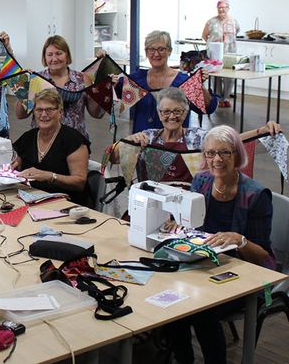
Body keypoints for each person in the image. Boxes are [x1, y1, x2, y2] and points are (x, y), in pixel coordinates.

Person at [165, 125, 275, 364]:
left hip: (247, 273)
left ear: (237, 155)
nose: (217, 159)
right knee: (171, 298)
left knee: (201, 309)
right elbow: (192, 226)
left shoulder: (256, 195)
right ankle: (183, 359)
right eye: (211, 153)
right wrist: (178, 223)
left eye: (225, 152)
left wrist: (239, 239)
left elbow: (263, 256)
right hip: (207, 265)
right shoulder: (201, 181)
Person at [113, 87, 281, 184]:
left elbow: (231, 140)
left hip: (188, 203)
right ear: (159, 113)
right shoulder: (147, 137)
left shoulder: (197, 137)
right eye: (166, 111)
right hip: (151, 202)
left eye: (177, 111)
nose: (172, 116)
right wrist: (128, 142)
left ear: (186, 113)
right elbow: (112, 158)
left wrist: (261, 131)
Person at [121, 30, 217, 133]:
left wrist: (199, 85)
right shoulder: (136, 79)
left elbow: (209, 108)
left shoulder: (183, 81)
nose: (156, 54)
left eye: (161, 49)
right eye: (151, 49)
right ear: (146, 52)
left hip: (174, 142)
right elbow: (112, 90)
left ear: (170, 51)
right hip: (142, 140)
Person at [11, 89, 91, 205]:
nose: (44, 115)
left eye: (49, 110)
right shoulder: (27, 138)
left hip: (66, 203)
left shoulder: (73, 140)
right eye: (39, 110)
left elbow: (80, 182)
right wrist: (12, 167)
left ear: (60, 112)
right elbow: (15, 166)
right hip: (30, 199)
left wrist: (49, 176)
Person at [16, 35, 103, 141]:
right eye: (49, 54)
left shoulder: (82, 79)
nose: (54, 59)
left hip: (76, 143)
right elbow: (20, 115)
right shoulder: (36, 80)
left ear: (67, 55)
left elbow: (96, 114)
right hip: (44, 142)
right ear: (45, 58)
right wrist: (24, 87)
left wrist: (102, 88)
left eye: (59, 53)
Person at [201, 0, 240, 107]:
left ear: (228, 8)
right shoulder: (211, 21)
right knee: (216, 76)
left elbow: (236, 31)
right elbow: (204, 35)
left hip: (230, 53)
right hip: (215, 53)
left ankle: (226, 98)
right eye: (219, 8)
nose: (221, 10)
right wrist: (212, 45)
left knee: (229, 76)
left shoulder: (234, 21)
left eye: (223, 7)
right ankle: (218, 98)